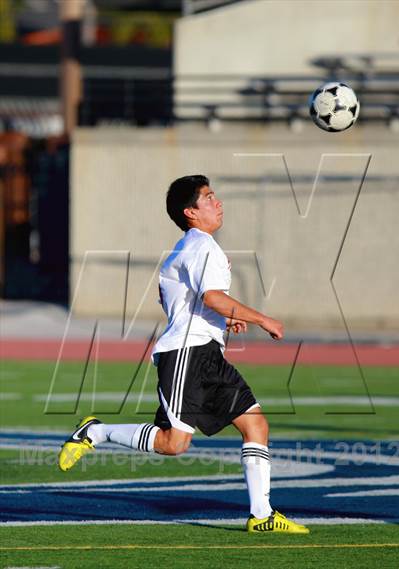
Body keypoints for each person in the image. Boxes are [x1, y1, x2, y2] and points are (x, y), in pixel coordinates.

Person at [58, 175, 309, 534]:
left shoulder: (188, 247)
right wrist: (260, 318)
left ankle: (262, 515)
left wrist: (223, 319)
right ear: (191, 211)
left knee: (255, 424)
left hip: (207, 354)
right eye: (208, 198)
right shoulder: (201, 247)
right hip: (186, 356)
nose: (217, 202)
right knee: (174, 443)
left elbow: (176, 300)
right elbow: (210, 297)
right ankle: (97, 432)